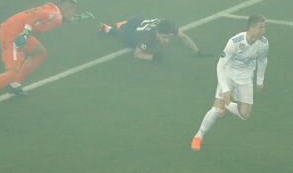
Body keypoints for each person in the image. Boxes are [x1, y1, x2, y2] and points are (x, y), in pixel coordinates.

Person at [190, 14, 269, 151]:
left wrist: (260, 80)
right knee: (215, 108)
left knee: (245, 115)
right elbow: (221, 65)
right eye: (260, 27)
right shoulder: (235, 42)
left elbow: (262, 60)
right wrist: (225, 89)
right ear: (251, 28)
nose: (264, 30)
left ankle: (227, 105)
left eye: (264, 27)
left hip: (245, 79)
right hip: (229, 75)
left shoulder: (263, 43)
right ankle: (198, 136)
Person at [0, 0, 92, 96]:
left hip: (19, 31)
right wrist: (26, 33)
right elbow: (33, 15)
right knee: (11, 73)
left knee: (40, 52)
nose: (74, 13)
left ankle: (15, 83)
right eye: (74, 10)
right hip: (13, 34)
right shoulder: (55, 14)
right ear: (67, 8)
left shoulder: (56, 14)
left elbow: (64, 19)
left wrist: (81, 17)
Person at [100, 16, 209, 62]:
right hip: (132, 34)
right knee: (126, 39)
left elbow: (183, 37)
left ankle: (123, 24)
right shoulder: (146, 38)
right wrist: (152, 57)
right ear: (157, 33)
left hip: (139, 21)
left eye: (168, 37)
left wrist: (197, 51)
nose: (167, 40)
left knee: (139, 18)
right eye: (164, 38)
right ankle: (108, 28)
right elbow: (137, 54)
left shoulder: (167, 26)